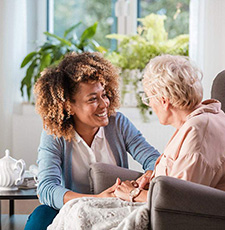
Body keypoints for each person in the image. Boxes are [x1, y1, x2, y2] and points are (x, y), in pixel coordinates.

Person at [24, 52, 160, 230]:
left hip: (113, 209)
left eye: (104, 94)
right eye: (93, 99)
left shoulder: (118, 123)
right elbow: (47, 189)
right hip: (72, 210)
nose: (104, 104)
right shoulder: (54, 134)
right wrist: (96, 199)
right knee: (41, 215)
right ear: (68, 105)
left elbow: (153, 159)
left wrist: (148, 175)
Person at [113, 54, 225, 202]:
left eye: (148, 99)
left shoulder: (197, 131)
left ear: (163, 101)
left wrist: (133, 194)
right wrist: (151, 178)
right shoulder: (205, 118)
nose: (150, 105)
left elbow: (178, 200)